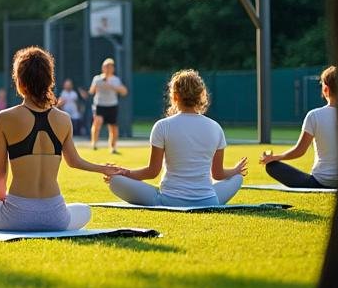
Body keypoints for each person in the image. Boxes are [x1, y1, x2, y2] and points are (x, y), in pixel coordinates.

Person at [0, 47, 117, 231]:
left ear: (20, 81)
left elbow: (0, 171)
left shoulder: (5, 117)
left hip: (15, 217)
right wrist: (103, 169)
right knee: (84, 210)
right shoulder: (64, 119)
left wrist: (2, 198)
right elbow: (74, 161)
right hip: (56, 218)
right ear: (49, 80)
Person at [106, 69, 247, 207]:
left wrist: (125, 173)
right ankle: (211, 194)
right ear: (201, 96)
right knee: (238, 177)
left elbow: (152, 171)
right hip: (208, 200)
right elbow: (218, 174)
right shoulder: (215, 127)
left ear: (174, 96)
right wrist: (235, 170)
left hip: (168, 201)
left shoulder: (162, 126)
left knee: (115, 180)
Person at [260, 66, 338, 188]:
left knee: (272, 167)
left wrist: (274, 157)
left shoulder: (314, 115)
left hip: (318, 182)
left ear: (326, 90)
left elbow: (299, 151)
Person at [89, 57, 128, 153]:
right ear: (103, 68)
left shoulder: (116, 80)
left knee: (113, 127)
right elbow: (91, 91)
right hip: (100, 104)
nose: (108, 69)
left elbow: (124, 92)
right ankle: (94, 143)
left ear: (113, 69)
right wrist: (98, 85)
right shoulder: (97, 78)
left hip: (112, 105)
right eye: (106, 67)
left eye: (110, 67)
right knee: (97, 122)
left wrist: (112, 87)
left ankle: (113, 147)